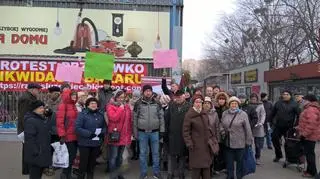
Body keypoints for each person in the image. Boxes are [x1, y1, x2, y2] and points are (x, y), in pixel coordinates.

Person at [183, 95, 218, 179]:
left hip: (206, 145)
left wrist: (212, 139)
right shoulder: (189, 115)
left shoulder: (204, 113)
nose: (198, 104)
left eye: (200, 102)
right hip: (195, 146)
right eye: (196, 102)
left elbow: (209, 128)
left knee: (206, 168)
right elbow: (185, 131)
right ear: (193, 103)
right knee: (196, 170)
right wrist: (189, 143)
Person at [133, 85, 165, 179]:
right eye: (146, 91)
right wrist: (135, 133)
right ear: (143, 92)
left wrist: (162, 131)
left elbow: (161, 117)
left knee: (156, 153)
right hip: (142, 132)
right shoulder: (138, 103)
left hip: (155, 132)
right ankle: (143, 173)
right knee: (143, 153)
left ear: (151, 92)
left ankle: (156, 172)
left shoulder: (157, 103)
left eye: (149, 91)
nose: (148, 92)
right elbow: (134, 118)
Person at [221, 96, 253, 179]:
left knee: (240, 162)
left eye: (235, 103)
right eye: (232, 103)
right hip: (228, 142)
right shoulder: (225, 113)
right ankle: (230, 176)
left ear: (238, 104)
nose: (234, 105)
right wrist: (222, 131)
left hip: (240, 143)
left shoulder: (243, 114)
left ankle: (239, 176)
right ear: (229, 104)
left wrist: (248, 141)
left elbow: (248, 128)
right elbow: (221, 124)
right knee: (229, 162)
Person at [76, 97, 106, 179]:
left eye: (95, 103)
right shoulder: (82, 114)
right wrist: (89, 134)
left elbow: (105, 127)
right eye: (92, 103)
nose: (94, 105)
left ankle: (90, 176)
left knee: (92, 163)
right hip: (84, 143)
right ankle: (81, 176)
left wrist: (101, 133)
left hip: (96, 143)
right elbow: (77, 128)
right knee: (83, 163)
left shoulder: (100, 114)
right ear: (87, 105)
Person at [106, 90, 132, 179]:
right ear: (115, 97)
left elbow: (129, 121)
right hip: (115, 135)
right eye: (119, 97)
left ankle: (118, 173)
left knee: (120, 158)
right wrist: (120, 109)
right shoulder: (110, 106)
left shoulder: (126, 106)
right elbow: (113, 118)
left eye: (123, 97)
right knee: (113, 157)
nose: (121, 99)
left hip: (124, 136)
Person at [18, 83, 42, 175]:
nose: (39, 91)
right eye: (37, 89)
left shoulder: (30, 98)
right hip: (27, 128)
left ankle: (28, 168)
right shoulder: (26, 99)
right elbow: (24, 115)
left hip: (28, 127)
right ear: (31, 90)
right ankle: (27, 169)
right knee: (28, 148)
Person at [24, 100, 52, 179]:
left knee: (38, 175)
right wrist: (36, 151)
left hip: (41, 153)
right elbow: (29, 138)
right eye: (40, 108)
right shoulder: (31, 120)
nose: (42, 109)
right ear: (34, 109)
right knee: (35, 175)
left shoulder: (40, 119)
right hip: (36, 154)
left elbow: (47, 129)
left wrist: (49, 116)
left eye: (43, 107)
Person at [271, 90, 300, 162]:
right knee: (274, 139)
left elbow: (299, 115)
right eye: (284, 94)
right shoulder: (278, 103)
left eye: (287, 94)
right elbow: (272, 113)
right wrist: (271, 122)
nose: (285, 96)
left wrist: (296, 125)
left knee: (288, 143)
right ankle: (278, 155)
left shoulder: (294, 104)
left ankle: (288, 158)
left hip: (289, 127)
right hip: (278, 126)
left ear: (290, 96)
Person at [166, 90, 191, 179]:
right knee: (171, 155)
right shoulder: (171, 106)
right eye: (177, 97)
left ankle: (181, 173)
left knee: (182, 155)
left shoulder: (189, 107)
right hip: (172, 134)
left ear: (184, 96)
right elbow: (167, 120)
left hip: (183, 135)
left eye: (180, 96)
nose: (179, 98)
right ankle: (170, 173)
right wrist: (166, 134)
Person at [56, 89, 78, 179]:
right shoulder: (63, 106)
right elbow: (59, 122)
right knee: (69, 156)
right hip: (67, 136)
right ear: (67, 96)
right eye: (72, 95)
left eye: (75, 95)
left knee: (72, 156)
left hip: (75, 135)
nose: (74, 97)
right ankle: (65, 174)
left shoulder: (73, 106)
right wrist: (62, 135)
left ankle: (67, 174)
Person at [297, 94, 320, 178]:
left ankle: (313, 172)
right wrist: (298, 127)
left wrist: (303, 134)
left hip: (309, 136)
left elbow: (312, 124)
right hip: (308, 135)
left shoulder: (311, 109)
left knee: (310, 155)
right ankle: (310, 171)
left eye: (304, 99)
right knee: (309, 154)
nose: (302, 101)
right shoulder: (308, 108)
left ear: (309, 100)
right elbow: (305, 122)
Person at [203, 96, 220, 177]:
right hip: (202, 139)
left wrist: (217, 139)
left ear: (211, 105)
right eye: (205, 103)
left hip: (212, 138)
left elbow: (217, 127)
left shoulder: (215, 114)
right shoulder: (199, 113)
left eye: (208, 103)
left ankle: (210, 171)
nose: (206, 105)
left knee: (211, 156)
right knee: (203, 157)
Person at [213, 92, 229, 173]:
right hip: (216, 131)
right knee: (217, 150)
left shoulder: (227, 108)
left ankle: (225, 166)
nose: (221, 101)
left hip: (225, 131)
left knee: (225, 149)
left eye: (223, 99)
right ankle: (217, 167)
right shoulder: (214, 109)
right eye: (220, 99)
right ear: (217, 100)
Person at [249, 93, 266, 165]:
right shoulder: (248, 105)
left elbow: (263, 114)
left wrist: (261, 123)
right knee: (249, 143)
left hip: (258, 126)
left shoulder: (260, 105)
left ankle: (257, 158)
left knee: (257, 144)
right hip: (249, 126)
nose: (253, 100)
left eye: (254, 99)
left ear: (257, 99)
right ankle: (249, 157)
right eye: (252, 99)